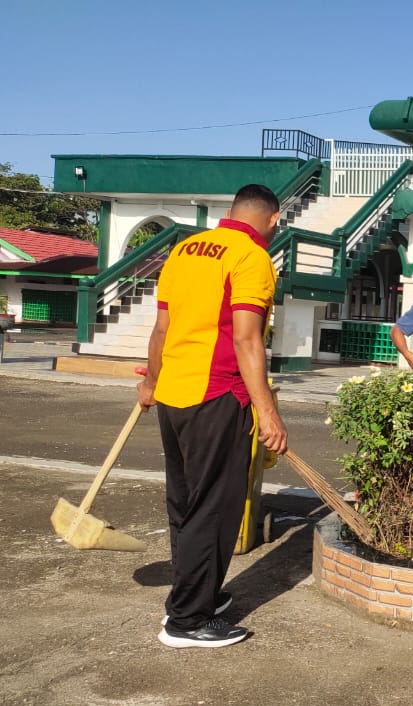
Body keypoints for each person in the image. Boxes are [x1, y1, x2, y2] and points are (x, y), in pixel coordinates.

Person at [137, 184, 289, 648]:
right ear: (274, 220)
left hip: (174, 395)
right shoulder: (252, 257)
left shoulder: (184, 250)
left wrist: (150, 383)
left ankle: (198, 594)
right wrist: (267, 412)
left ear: (229, 212)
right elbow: (247, 339)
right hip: (218, 394)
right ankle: (187, 621)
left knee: (185, 503)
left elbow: (162, 327)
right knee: (215, 508)